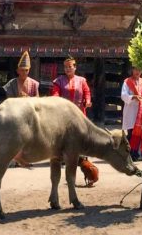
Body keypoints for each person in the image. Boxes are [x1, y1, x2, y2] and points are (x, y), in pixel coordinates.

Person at [51, 57, 98, 186]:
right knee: (62, 137)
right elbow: (55, 94)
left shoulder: (82, 81)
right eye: (65, 67)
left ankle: (82, 160)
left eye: (70, 66)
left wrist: (88, 101)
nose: (68, 69)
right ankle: (61, 158)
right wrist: (56, 101)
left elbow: (87, 92)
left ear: (75, 67)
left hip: (79, 115)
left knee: (81, 138)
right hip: (63, 115)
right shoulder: (58, 81)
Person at [3, 51, 39, 168]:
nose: (24, 72)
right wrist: (20, 99)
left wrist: (28, 99)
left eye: (26, 70)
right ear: (17, 70)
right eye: (22, 70)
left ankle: (26, 160)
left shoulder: (34, 84)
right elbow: (9, 100)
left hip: (28, 115)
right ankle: (13, 160)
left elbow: (37, 100)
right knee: (14, 138)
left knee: (28, 138)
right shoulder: (11, 84)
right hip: (15, 115)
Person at [120, 66, 142, 161]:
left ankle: (141, 154)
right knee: (132, 134)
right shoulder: (127, 81)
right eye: (135, 69)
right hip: (131, 112)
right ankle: (132, 155)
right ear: (132, 70)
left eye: (139, 69)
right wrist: (133, 97)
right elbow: (124, 96)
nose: (137, 71)